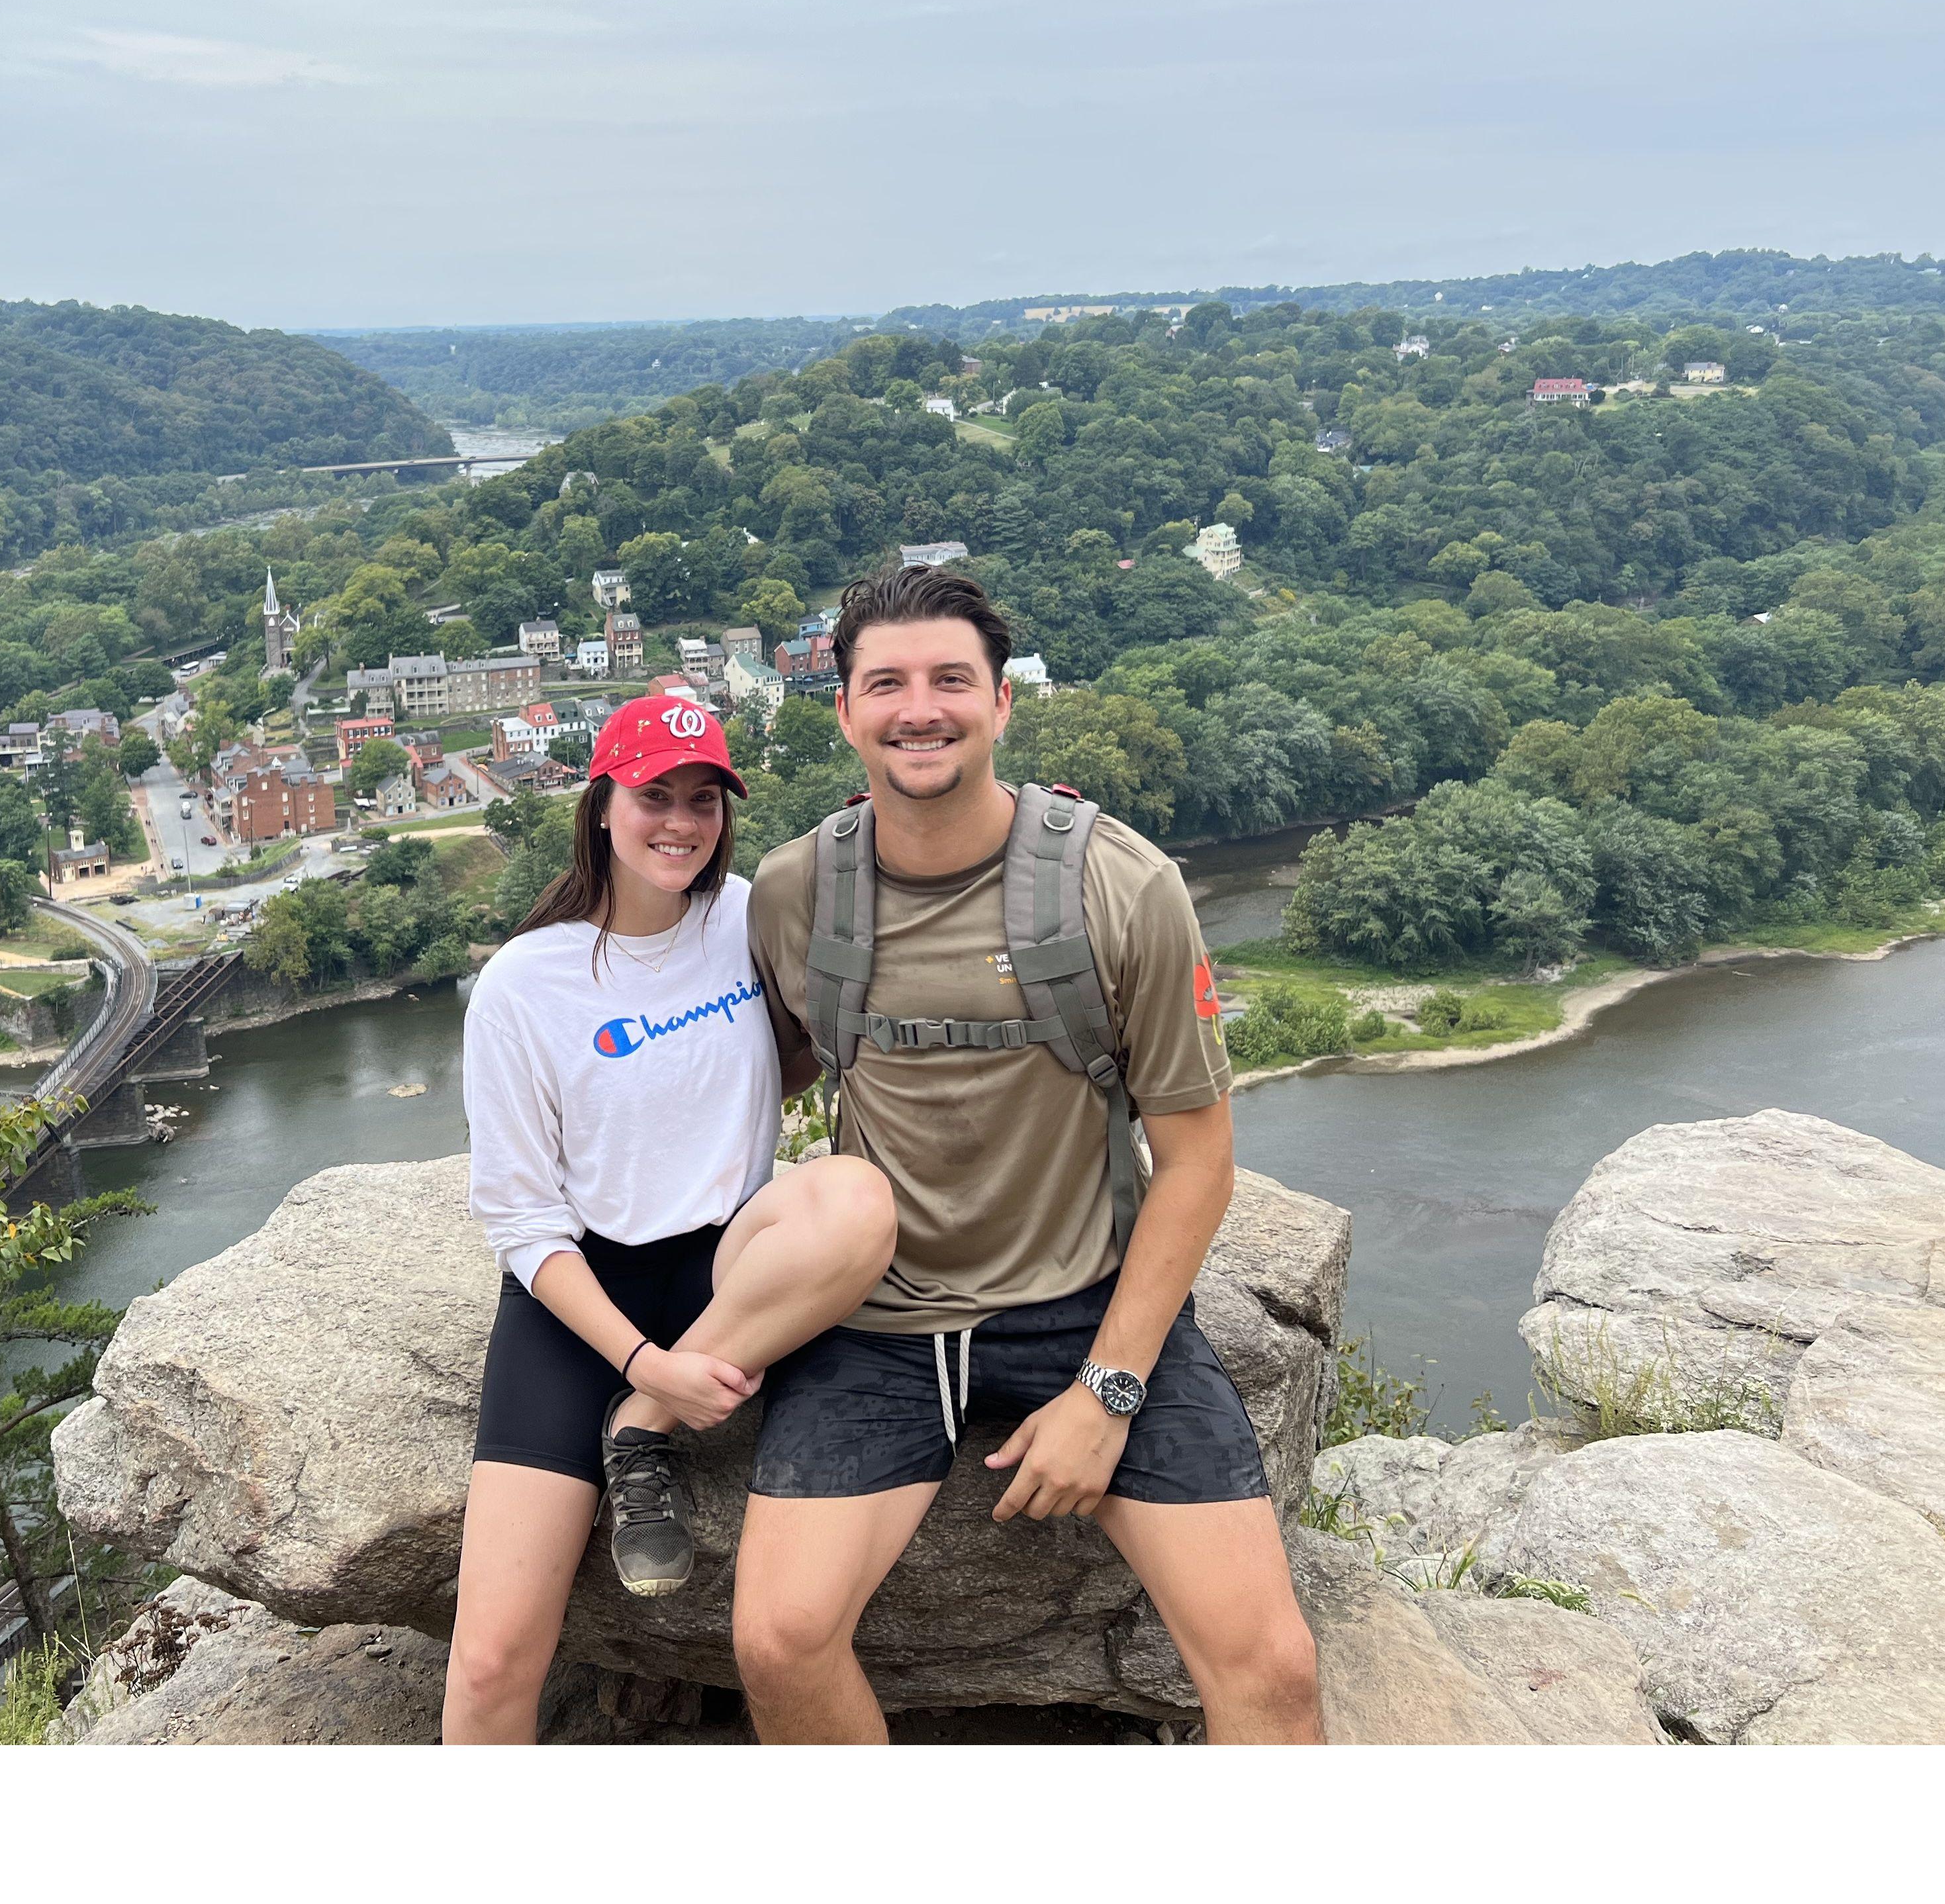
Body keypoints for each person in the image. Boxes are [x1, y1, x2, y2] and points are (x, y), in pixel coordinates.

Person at [734, 565, 1324, 1744]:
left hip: (1082, 1305)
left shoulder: (1122, 886)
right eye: (885, 684)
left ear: (1003, 704)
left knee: (1272, 1669)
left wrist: (1109, 1392)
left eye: (953, 680)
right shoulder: (800, 891)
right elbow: (759, 1068)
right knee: (778, 1642)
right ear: (843, 711)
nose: (921, 708)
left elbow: (1198, 1157)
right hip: (880, 1321)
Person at [444, 692, 898, 1745]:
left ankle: (638, 1439)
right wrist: (646, 1365)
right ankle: (632, 1416)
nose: (680, 823)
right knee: (492, 1658)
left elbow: (784, 1057)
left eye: (704, 800)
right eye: (655, 797)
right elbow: (521, 1223)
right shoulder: (524, 984)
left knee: (857, 1197)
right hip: (581, 1300)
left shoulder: (745, 917)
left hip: (730, 1271)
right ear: (602, 804)